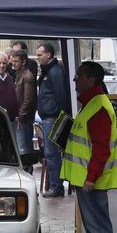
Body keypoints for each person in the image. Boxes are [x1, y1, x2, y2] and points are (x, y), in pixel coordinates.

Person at [63, 61, 117, 233]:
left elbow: (101, 147)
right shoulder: (91, 104)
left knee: (97, 226)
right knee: (94, 225)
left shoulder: (97, 107)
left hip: (92, 180)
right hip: (88, 178)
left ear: (91, 79)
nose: (75, 79)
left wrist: (91, 177)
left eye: (79, 76)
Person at [35, 42, 71, 197]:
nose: (37, 58)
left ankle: (56, 187)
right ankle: (57, 185)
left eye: (39, 55)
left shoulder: (54, 72)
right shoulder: (48, 71)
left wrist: (61, 116)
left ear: (48, 54)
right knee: (52, 154)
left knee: (52, 154)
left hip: (53, 117)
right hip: (50, 117)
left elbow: (61, 95)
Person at [10, 50, 38, 154]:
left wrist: (20, 116)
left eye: (16, 61)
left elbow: (28, 99)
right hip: (20, 117)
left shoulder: (27, 76)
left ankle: (27, 169)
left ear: (23, 62)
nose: (13, 63)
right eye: (13, 61)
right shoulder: (19, 74)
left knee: (24, 148)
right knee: (20, 146)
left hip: (24, 119)